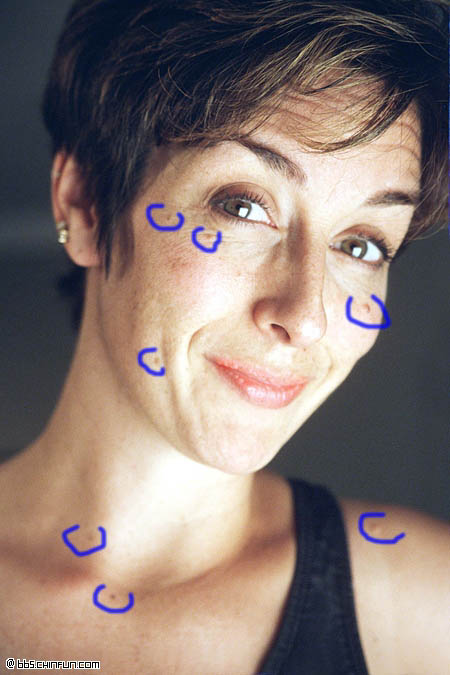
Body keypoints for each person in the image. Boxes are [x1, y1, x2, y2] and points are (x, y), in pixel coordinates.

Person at [0, 1, 448, 672]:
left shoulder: (429, 616)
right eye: (242, 206)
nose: (306, 315)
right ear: (85, 205)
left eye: (361, 244)